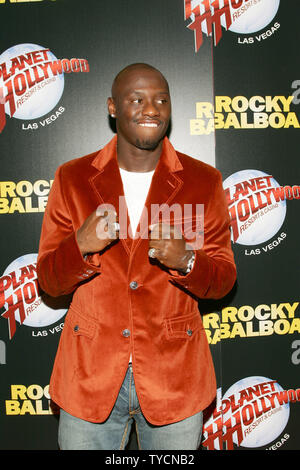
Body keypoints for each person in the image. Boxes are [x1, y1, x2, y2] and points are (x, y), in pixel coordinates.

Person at [37, 63, 236, 450]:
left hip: (174, 379)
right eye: (137, 99)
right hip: (88, 378)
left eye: (162, 100)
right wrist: (80, 247)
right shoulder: (73, 178)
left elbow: (225, 279)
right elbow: (48, 280)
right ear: (113, 107)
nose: (152, 109)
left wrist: (188, 261)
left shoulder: (203, 180)